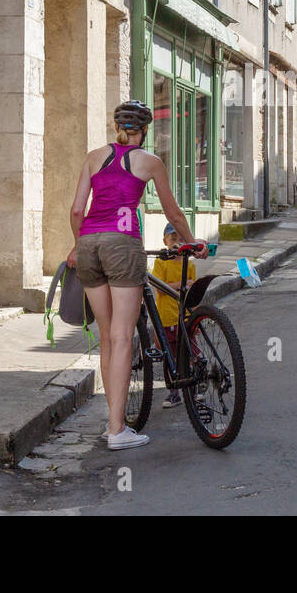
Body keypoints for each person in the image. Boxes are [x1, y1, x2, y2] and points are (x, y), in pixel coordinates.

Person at [66, 99, 205, 450]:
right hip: (121, 244)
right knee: (124, 335)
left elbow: (76, 209)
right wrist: (192, 242)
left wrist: (76, 246)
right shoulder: (150, 162)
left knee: (109, 338)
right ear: (145, 130)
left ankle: (114, 423)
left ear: (117, 127)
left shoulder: (93, 157)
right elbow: (172, 212)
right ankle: (117, 430)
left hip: (88, 245)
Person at [150, 223, 195, 409]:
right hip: (166, 317)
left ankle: (194, 388)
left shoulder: (189, 264)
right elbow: (161, 288)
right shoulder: (161, 263)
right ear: (165, 242)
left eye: (180, 239)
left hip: (184, 317)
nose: (176, 243)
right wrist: (182, 284)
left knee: (190, 354)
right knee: (170, 357)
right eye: (173, 238)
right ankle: (174, 392)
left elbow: (193, 290)